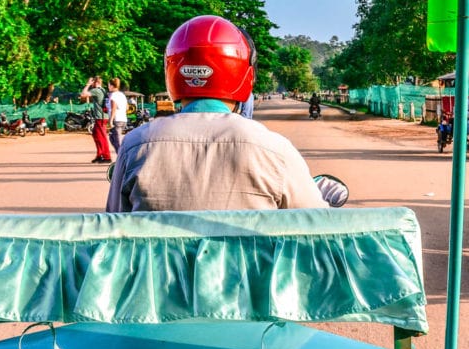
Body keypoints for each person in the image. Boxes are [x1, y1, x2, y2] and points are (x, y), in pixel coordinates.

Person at [106, 15, 328, 212]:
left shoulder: (135, 144)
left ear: (172, 69)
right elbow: (316, 225)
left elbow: (114, 224)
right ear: (244, 71)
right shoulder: (274, 149)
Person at [80, 75, 110, 164]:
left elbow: (83, 94)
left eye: (93, 82)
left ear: (96, 82)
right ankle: (100, 154)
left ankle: (106, 156)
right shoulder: (103, 90)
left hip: (100, 118)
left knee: (102, 137)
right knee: (96, 135)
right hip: (103, 117)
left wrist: (87, 84)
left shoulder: (96, 90)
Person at [107, 77, 129, 153]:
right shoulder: (122, 95)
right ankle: (120, 156)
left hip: (117, 120)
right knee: (112, 138)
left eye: (109, 85)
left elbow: (113, 108)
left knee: (117, 142)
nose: (108, 87)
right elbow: (127, 107)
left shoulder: (113, 96)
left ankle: (121, 159)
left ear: (112, 86)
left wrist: (110, 120)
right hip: (123, 119)